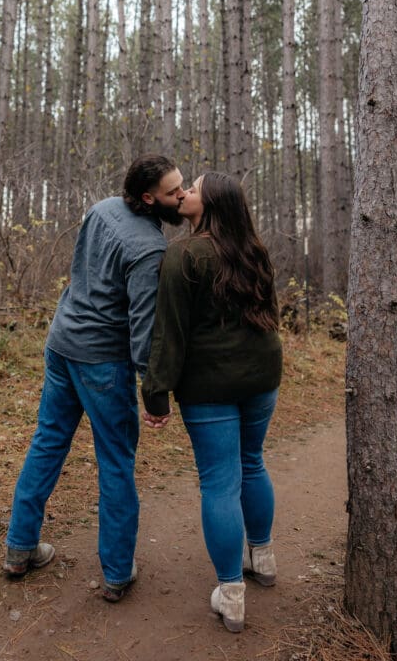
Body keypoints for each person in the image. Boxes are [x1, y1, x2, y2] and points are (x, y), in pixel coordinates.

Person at [4, 154, 184, 601]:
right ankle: (118, 572)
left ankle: (18, 550)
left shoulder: (101, 208)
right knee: (116, 461)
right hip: (100, 361)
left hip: (61, 342)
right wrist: (153, 392)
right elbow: (143, 329)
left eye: (182, 186)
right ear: (148, 198)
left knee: (48, 441)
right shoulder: (150, 249)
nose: (181, 196)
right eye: (172, 192)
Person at [141, 172, 282, 633]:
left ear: (212, 204)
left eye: (194, 189)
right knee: (252, 463)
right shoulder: (253, 249)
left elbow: (169, 333)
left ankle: (232, 593)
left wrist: (155, 394)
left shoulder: (184, 255)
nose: (184, 194)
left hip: (211, 387)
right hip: (262, 376)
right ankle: (262, 558)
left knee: (221, 484)